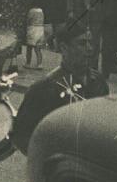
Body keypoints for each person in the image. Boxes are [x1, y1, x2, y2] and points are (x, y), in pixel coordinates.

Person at [11, 23, 109, 155]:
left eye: (90, 42)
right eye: (82, 43)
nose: (90, 49)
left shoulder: (98, 82)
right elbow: (22, 138)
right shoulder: (44, 88)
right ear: (64, 48)